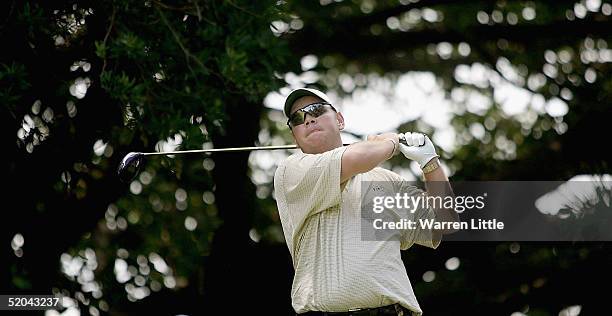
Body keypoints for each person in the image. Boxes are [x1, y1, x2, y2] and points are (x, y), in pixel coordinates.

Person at [274, 88, 459, 315]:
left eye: (316, 109)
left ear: (339, 120)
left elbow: (446, 223)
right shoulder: (292, 171)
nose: (308, 118)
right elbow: (358, 158)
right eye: (297, 118)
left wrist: (430, 163)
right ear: (294, 135)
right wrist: (389, 142)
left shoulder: (384, 180)